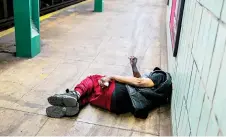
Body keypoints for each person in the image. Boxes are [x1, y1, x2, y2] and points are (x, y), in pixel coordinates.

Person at [46, 56, 172, 119]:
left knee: (94, 79)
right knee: (92, 94)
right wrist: (134, 66)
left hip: (122, 94)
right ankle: (72, 107)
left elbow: (140, 83)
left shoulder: (160, 76)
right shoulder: (160, 90)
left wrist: (111, 77)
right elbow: (141, 81)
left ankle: (75, 94)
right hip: (118, 106)